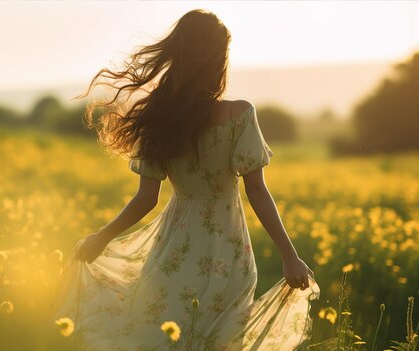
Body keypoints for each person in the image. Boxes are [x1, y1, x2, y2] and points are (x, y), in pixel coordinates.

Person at [49, 9, 320, 351]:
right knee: (218, 342)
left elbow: (145, 199)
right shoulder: (239, 114)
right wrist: (289, 256)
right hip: (229, 251)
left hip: (173, 248)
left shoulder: (159, 118)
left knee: (161, 336)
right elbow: (256, 190)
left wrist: (102, 238)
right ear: (218, 58)